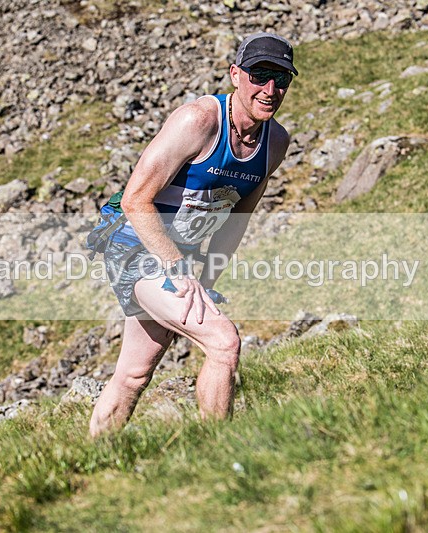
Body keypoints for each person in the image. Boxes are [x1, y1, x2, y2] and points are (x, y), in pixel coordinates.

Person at [88, 33, 296, 436]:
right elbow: (135, 200)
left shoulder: (276, 142)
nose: (270, 90)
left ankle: (95, 458)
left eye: (281, 79)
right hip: (134, 244)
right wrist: (181, 272)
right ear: (236, 75)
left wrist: (208, 278)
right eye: (260, 75)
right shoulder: (198, 121)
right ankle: (215, 455)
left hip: (179, 253)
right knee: (222, 341)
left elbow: (240, 216)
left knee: (134, 374)